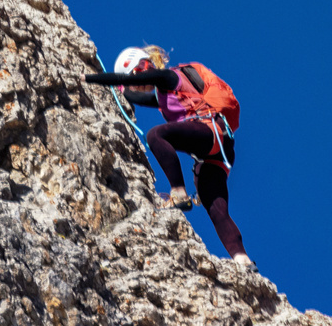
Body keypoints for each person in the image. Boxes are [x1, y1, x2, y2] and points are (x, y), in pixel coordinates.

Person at [85, 46, 253, 269]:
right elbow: (133, 95)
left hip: (209, 131)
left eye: (137, 73)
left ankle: (178, 193)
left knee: (156, 135)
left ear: (146, 65)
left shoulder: (168, 76)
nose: (138, 80)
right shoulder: (163, 93)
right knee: (216, 209)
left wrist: (86, 77)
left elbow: (133, 84)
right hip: (217, 149)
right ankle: (243, 261)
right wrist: (120, 89)